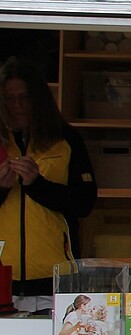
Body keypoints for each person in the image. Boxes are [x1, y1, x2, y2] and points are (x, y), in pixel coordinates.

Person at [0, 57, 98, 311]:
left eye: (24, 97)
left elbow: (85, 202)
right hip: (2, 281)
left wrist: (37, 185)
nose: (17, 106)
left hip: (55, 282)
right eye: (9, 99)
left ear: (39, 99)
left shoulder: (66, 139)